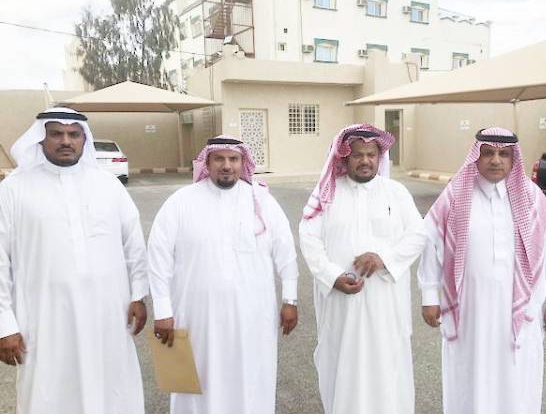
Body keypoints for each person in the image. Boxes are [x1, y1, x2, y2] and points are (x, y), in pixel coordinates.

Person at [0, 107, 148, 414]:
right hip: (43, 317)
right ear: (41, 138)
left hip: (107, 314)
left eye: (73, 134)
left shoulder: (108, 186)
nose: (65, 141)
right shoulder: (14, 188)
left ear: (84, 139)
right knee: (49, 392)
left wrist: (138, 294)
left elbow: (133, 244)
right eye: (56, 133)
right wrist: (5, 326)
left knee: (111, 387)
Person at [418, 127, 546, 414]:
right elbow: (431, 245)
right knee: (469, 377)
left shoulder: (533, 198)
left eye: (504, 154)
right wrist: (430, 297)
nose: (495, 160)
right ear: (476, 156)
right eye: (488, 153)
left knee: (517, 380)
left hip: (521, 312)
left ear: (514, 159)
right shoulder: (455, 196)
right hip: (469, 312)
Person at [148, 135, 299, 414]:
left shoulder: (262, 201)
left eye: (233, 159)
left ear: (243, 162)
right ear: (207, 162)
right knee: (196, 382)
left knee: (250, 380)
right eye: (219, 158)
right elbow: (158, 258)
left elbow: (286, 252)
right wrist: (162, 311)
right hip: (196, 317)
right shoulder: (181, 202)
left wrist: (290, 300)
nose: (227, 165)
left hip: (253, 317)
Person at [299, 124, 426, 414]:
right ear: (344, 157)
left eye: (371, 154)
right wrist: (332, 276)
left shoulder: (395, 192)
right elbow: (309, 238)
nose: (365, 160)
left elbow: (418, 234)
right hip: (341, 303)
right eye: (358, 155)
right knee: (341, 365)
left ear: (380, 157)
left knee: (387, 367)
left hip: (386, 304)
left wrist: (384, 258)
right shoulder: (327, 194)